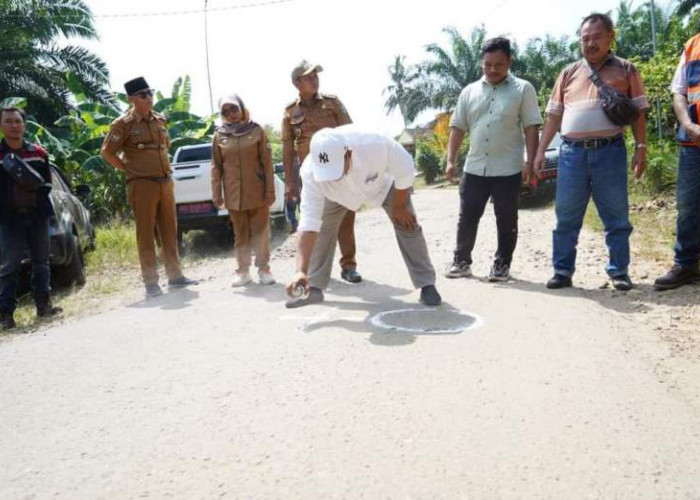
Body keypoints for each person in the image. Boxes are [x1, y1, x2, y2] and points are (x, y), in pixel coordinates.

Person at [533, 13, 649, 291]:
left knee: (616, 216)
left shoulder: (627, 69)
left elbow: (638, 114)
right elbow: (553, 116)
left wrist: (641, 147)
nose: (590, 43)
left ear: (611, 37)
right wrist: (539, 152)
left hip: (610, 152)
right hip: (571, 154)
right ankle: (562, 271)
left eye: (596, 37)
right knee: (566, 216)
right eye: (585, 38)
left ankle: (619, 271)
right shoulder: (568, 72)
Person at [285, 124, 442, 308]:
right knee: (322, 230)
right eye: (326, 173)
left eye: (335, 170)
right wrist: (299, 270)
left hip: (383, 186)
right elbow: (308, 223)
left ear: (348, 153)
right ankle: (313, 287)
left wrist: (400, 206)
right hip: (335, 197)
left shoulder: (374, 143)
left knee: (407, 224)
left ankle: (427, 284)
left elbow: (405, 169)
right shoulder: (310, 173)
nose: (332, 178)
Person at [444, 37, 542, 282]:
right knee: (467, 217)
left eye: (499, 64)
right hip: (475, 166)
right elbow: (457, 128)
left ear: (509, 61)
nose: (492, 70)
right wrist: (450, 160)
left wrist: (530, 162)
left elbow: (531, 127)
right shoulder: (469, 91)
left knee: (507, 219)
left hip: (507, 168)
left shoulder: (523, 89)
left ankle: (501, 265)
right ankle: (461, 261)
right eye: (487, 64)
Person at [101, 77, 197, 297]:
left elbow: (165, 147)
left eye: (150, 92)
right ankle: (151, 282)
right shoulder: (123, 124)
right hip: (141, 184)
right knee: (145, 233)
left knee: (169, 231)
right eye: (143, 94)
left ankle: (175, 276)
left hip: (165, 181)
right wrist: (128, 170)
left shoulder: (160, 120)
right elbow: (107, 152)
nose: (149, 98)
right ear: (132, 99)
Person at [281, 60, 362, 284]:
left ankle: (349, 266)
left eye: (315, 75)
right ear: (297, 83)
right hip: (312, 175)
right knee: (313, 220)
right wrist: (289, 183)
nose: (314, 79)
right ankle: (315, 271)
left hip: (339, 170)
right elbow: (288, 150)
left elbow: (351, 132)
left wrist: (353, 168)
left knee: (345, 218)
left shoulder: (333, 103)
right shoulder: (289, 112)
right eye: (308, 77)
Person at [0, 107, 62, 330]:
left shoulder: (39, 153)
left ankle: (44, 306)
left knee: (42, 262)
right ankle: (6, 315)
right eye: (8, 121)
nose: (14, 125)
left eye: (17, 121)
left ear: (24, 125)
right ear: (1, 125)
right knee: (9, 267)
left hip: (37, 215)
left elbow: (47, 184)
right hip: (9, 219)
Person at [212, 95, 276, 286]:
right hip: (233, 194)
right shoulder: (219, 135)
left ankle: (264, 270)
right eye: (225, 111)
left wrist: (270, 190)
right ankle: (243, 272)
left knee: (260, 232)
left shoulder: (257, 130)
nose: (230, 114)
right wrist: (216, 193)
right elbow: (216, 166)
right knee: (240, 233)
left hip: (257, 191)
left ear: (241, 108)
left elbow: (267, 162)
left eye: (234, 109)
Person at [654, 32, 700, 290]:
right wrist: (688, 124)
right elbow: (679, 92)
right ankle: (686, 264)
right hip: (693, 142)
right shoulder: (692, 45)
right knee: (688, 206)